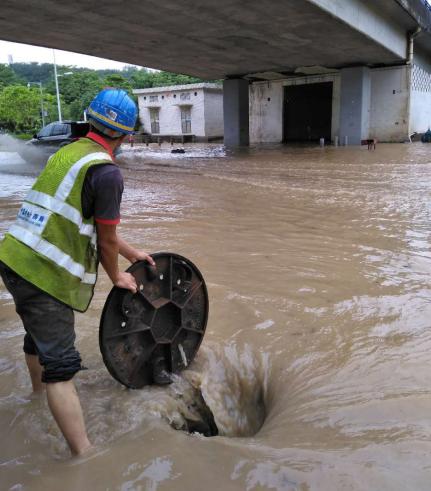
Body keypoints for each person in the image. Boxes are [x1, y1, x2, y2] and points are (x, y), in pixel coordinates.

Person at [0, 88, 155, 456]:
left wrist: (132, 252)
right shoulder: (107, 174)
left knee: (37, 337)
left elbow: (98, 229)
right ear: (126, 136)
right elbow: (104, 243)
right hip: (41, 273)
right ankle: (84, 454)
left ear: (88, 119)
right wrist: (118, 275)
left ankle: (37, 399)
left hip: (13, 258)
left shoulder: (70, 152)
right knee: (62, 365)